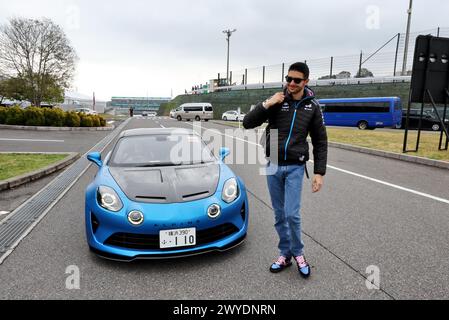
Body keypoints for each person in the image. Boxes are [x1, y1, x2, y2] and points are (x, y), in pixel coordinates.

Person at [243, 62, 328, 278]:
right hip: (272, 163)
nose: (291, 83)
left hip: (295, 166)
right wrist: (268, 103)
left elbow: (320, 140)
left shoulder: (313, 106)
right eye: (288, 78)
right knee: (280, 215)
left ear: (306, 82)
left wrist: (319, 172)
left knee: (292, 214)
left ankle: (298, 253)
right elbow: (247, 123)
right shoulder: (277, 101)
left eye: (296, 80)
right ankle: (285, 254)